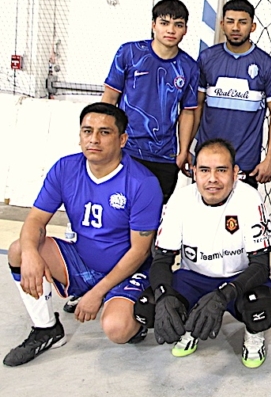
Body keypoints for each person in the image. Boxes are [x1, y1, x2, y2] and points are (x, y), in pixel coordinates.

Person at [3, 103, 163, 367]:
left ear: (122, 139)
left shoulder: (142, 183)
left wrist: (96, 294)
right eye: (87, 131)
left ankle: (132, 313)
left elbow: (139, 251)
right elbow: (35, 220)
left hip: (126, 271)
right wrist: (31, 253)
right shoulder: (66, 168)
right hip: (80, 261)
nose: (94, 139)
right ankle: (46, 329)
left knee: (117, 329)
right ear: (79, 136)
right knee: (20, 248)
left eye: (104, 132)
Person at [138, 139, 271, 369]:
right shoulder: (180, 200)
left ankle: (254, 335)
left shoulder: (249, 197)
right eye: (204, 170)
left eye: (221, 170)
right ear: (194, 172)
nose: (212, 179)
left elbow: (261, 265)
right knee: (148, 305)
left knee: (260, 307)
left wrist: (223, 295)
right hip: (194, 278)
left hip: (239, 278)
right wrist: (164, 296)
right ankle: (190, 324)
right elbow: (162, 259)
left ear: (235, 173)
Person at [102, 0, 199, 203]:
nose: (171, 30)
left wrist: (183, 152)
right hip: (125, 149)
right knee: (117, 208)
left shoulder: (189, 67)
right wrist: (105, 139)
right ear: (153, 25)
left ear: (185, 30)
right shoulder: (129, 53)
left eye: (178, 25)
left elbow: (188, 112)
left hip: (164, 156)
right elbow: (109, 99)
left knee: (152, 216)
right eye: (164, 23)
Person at [193, 0, 271, 190]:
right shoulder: (206, 59)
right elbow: (196, 107)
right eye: (230, 22)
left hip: (246, 166)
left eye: (242, 22)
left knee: (240, 221)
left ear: (253, 26)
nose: (236, 27)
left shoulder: (267, 65)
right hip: (208, 164)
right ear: (222, 24)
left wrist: (270, 159)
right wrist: (186, 150)